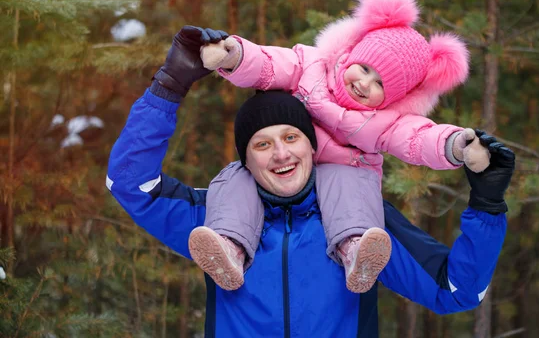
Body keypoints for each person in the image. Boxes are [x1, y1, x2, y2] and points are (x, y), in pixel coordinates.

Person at [106, 25, 515, 337]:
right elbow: (130, 183)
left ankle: (349, 253)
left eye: (291, 138)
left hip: (354, 233)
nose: (281, 154)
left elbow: (456, 291)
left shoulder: (367, 221)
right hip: (227, 232)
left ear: (312, 145)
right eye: (262, 144)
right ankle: (235, 252)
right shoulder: (213, 214)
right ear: (244, 157)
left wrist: (487, 204)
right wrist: (169, 86)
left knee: (360, 239)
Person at [187, 0, 491, 292]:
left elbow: (418, 138)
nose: (363, 83)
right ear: (351, 55)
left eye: (380, 84)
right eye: (364, 68)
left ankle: (357, 252)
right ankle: (229, 248)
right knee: (238, 176)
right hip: (285, 167)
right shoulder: (312, 65)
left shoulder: (388, 121)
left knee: (350, 182)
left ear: (393, 97)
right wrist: (233, 55)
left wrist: (455, 145)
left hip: (343, 174)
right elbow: (268, 65)